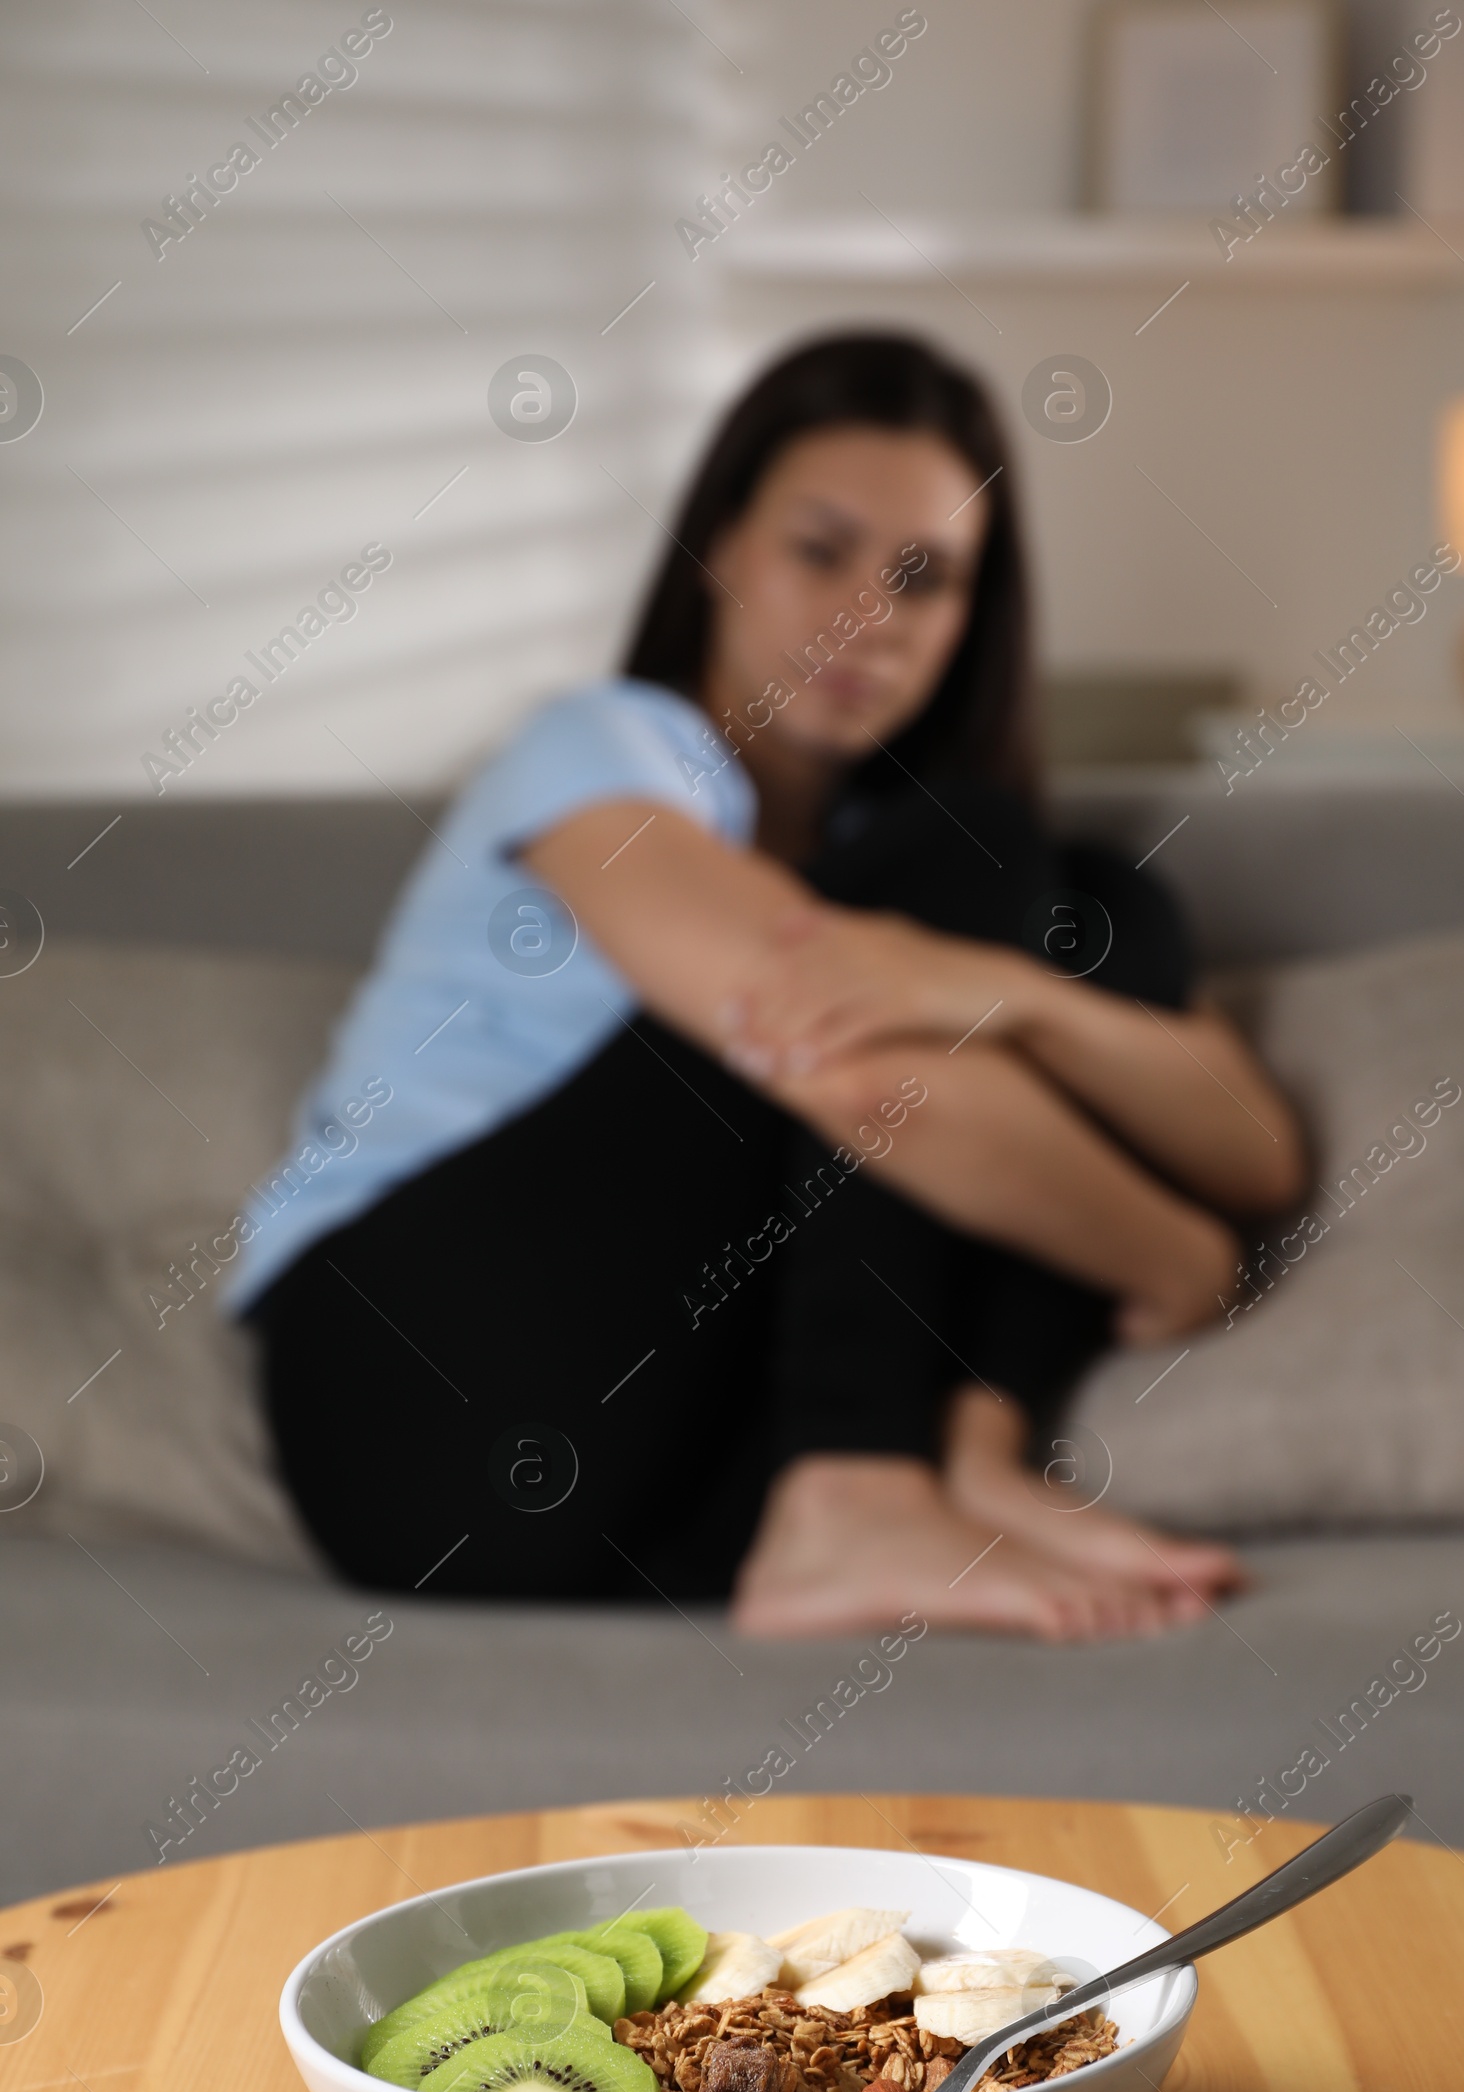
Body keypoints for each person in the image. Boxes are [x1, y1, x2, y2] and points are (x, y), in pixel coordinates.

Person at [230, 332, 1305, 1640]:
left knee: (1104, 911)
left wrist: (1013, 999)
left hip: (657, 1474)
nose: (871, 619)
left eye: (926, 579)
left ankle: (959, 1452)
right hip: (415, 1390)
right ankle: (866, 1475)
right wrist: (1176, 1254)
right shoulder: (605, 749)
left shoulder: (913, 881)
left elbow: (1253, 1151)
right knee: (967, 851)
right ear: (721, 548)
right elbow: (857, 1078)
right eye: (821, 550)